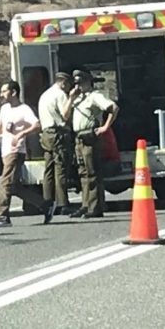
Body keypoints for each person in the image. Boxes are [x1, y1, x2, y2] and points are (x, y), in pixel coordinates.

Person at [0, 81, 55, 228]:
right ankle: (45, 205)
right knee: (14, 187)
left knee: (5, 183)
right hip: (5, 151)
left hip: (16, 152)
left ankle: (2, 217)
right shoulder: (4, 109)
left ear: (14, 92)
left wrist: (21, 134)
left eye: (4, 91)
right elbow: (0, 125)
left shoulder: (24, 109)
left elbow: (37, 125)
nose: (1, 94)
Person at [69, 69, 120, 219]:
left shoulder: (95, 97)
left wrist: (105, 127)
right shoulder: (77, 99)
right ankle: (86, 205)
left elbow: (113, 108)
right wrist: (71, 98)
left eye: (81, 83)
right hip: (78, 137)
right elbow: (65, 115)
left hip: (90, 136)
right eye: (76, 83)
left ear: (88, 82)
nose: (78, 86)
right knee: (83, 173)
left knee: (92, 173)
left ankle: (95, 207)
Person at [38, 72, 75, 214]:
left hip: (46, 133)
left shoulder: (44, 95)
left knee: (48, 168)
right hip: (57, 133)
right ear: (64, 83)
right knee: (61, 168)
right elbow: (65, 114)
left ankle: (47, 201)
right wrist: (71, 99)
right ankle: (62, 203)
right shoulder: (60, 95)